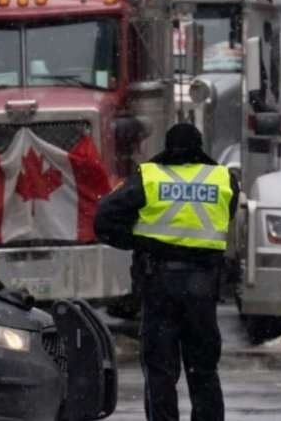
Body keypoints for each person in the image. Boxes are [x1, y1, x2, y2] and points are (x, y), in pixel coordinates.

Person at [95, 122, 238, 421]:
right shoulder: (223, 178)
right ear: (200, 147)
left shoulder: (149, 177)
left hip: (159, 284)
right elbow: (226, 215)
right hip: (203, 288)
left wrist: (137, 242)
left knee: (160, 371)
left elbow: (105, 218)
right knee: (204, 371)